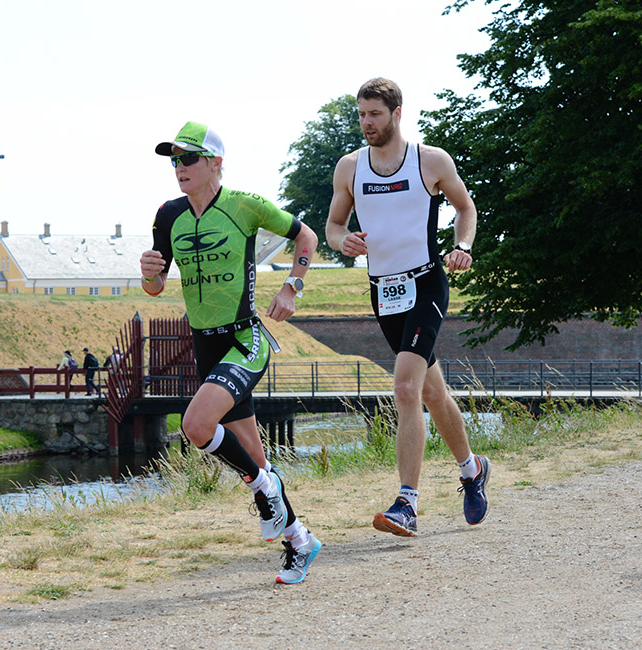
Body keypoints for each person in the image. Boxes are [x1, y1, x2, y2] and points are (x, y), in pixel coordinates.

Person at [140, 121, 322, 584]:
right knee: (255, 458)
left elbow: (308, 238)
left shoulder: (245, 205)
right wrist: (148, 272)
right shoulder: (167, 215)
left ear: (215, 163)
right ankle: (300, 541)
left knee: (196, 426)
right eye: (174, 159)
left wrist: (291, 286)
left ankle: (264, 487)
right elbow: (156, 287)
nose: (179, 167)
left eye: (189, 158)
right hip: (206, 346)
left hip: (246, 340)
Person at [325, 78, 490, 537]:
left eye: (374, 114)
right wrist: (345, 242)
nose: (366, 123)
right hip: (383, 291)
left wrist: (463, 246)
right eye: (360, 115)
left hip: (426, 283)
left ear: (396, 113)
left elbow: (466, 208)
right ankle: (472, 469)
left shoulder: (430, 161)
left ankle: (407, 503)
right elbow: (334, 225)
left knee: (404, 389)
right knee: (432, 393)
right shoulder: (350, 168)